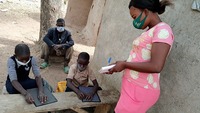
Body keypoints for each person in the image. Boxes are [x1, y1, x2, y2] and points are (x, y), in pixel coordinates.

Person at [106, 0, 174, 113]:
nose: (134, 21)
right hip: (133, 89)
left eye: (135, 17)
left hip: (141, 90)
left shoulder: (162, 30)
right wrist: (121, 63)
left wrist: (125, 64)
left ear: (146, 11)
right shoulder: (151, 31)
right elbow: (140, 59)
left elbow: (156, 66)